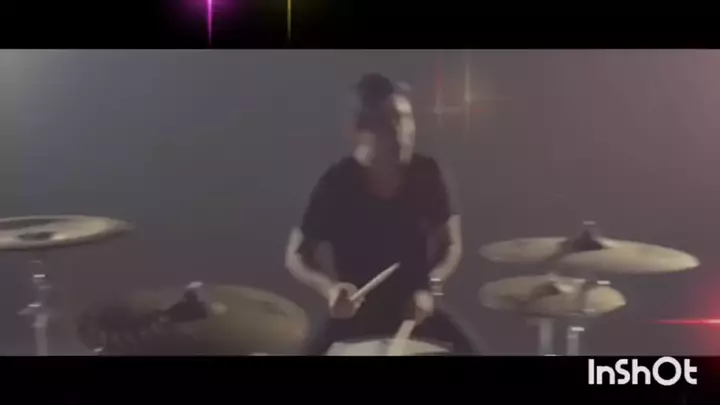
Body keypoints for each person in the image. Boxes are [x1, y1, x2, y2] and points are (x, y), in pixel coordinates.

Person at [284, 73, 481, 355]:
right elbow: (296, 255)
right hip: (355, 313)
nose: (402, 133)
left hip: (414, 308)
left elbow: (451, 244)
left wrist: (431, 287)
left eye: (406, 119)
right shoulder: (335, 184)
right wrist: (330, 290)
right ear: (358, 130)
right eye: (388, 123)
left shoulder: (428, 173)